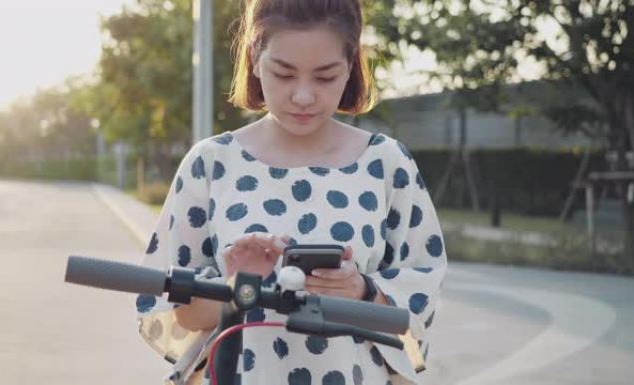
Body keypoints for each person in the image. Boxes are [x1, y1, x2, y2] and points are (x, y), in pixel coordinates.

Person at [136, 1, 448, 384]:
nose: (303, 96)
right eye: (283, 74)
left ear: (350, 66)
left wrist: (362, 290)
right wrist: (236, 284)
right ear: (253, 59)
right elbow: (181, 315)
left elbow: (417, 309)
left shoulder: (386, 163)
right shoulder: (211, 163)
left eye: (324, 77)